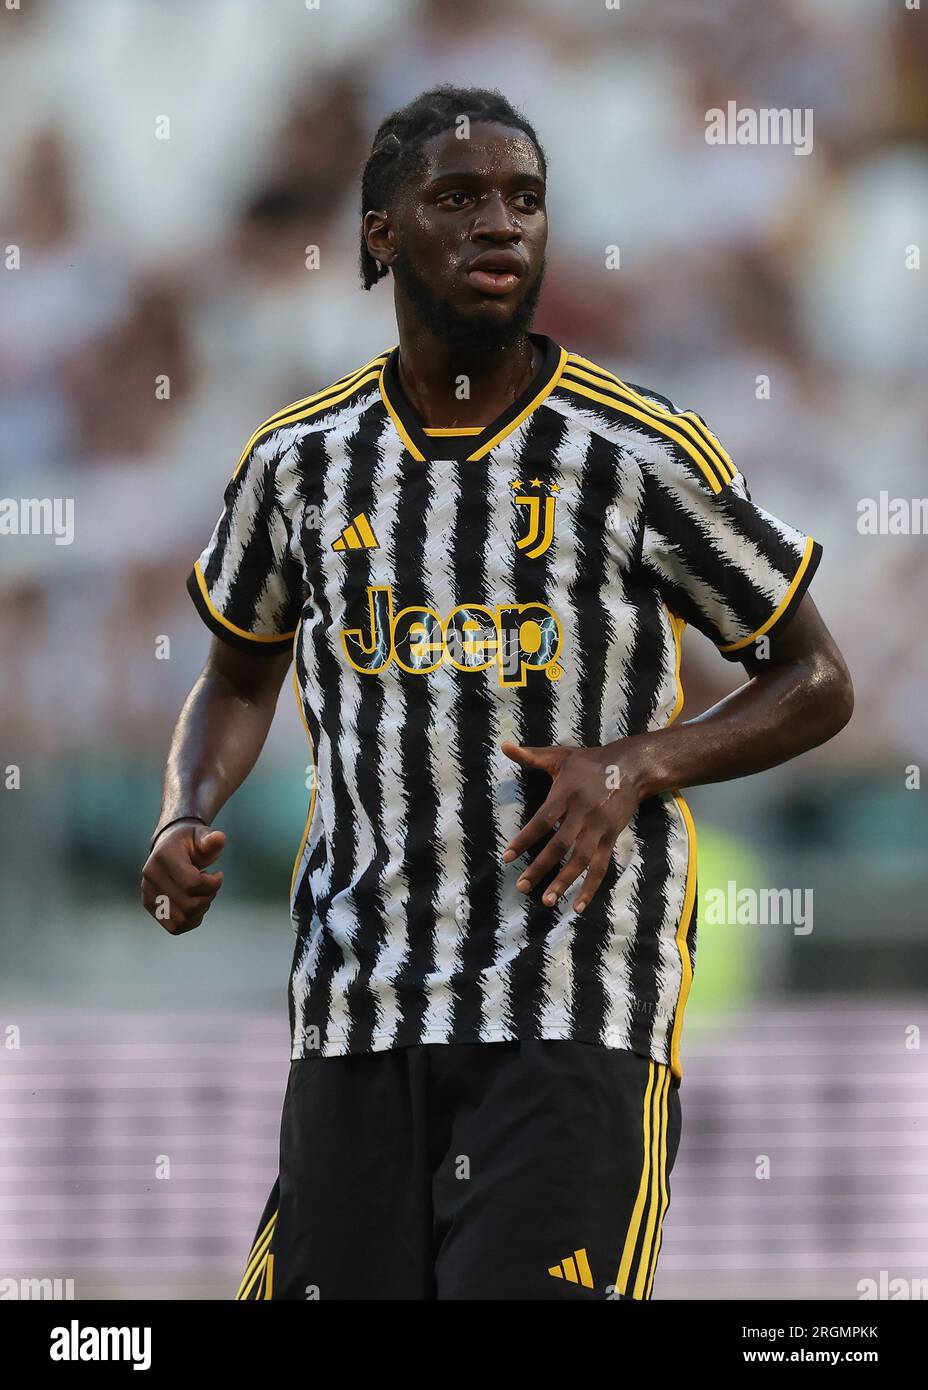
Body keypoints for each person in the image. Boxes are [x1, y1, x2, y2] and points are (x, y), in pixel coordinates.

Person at [141, 86, 853, 1301]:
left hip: (572, 1014)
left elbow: (818, 679)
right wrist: (184, 806)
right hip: (357, 1013)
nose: (501, 224)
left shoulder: (632, 454)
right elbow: (234, 674)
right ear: (380, 234)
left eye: (524, 199)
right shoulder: (298, 463)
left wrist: (639, 761)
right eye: (459, 197)